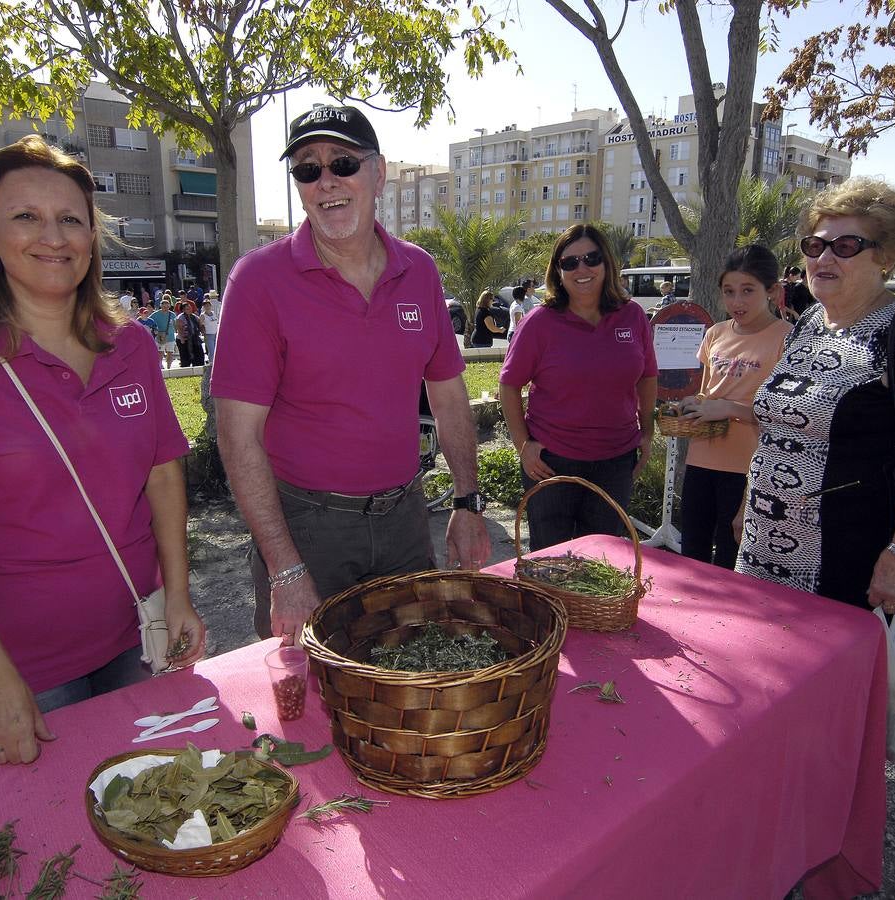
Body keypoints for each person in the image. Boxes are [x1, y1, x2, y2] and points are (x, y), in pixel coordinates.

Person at [0, 135, 205, 766]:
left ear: (92, 236)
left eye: (70, 220)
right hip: (18, 669)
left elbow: (164, 476)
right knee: (54, 842)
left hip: (134, 637)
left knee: (158, 802)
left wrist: (180, 594)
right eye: (26, 216)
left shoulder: (132, 345)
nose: (53, 236)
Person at [211, 104, 490, 641]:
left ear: (379, 173)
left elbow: (450, 397)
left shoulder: (419, 271)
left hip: (405, 517)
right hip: (309, 528)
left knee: (415, 675)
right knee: (310, 695)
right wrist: (285, 568)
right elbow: (237, 434)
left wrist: (467, 501)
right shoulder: (260, 281)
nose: (326, 182)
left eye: (343, 163)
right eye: (307, 169)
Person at [735, 178, 895, 617]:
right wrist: (750, 501)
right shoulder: (808, 323)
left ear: (887, 256)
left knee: (828, 678)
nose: (822, 257)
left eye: (845, 247)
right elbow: (778, 427)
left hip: (843, 554)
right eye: (815, 245)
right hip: (763, 546)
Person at [499, 224, 658, 551]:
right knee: (550, 563)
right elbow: (509, 384)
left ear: (607, 262)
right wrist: (523, 445)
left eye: (591, 258)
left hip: (615, 461)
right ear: (558, 272)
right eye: (569, 263)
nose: (581, 269)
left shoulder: (632, 316)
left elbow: (648, 376)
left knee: (603, 563)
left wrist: (648, 432)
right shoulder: (540, 323)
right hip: (552, 462)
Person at [677, 245, 791, 568]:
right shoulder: (714, 334)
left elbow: (787, 419)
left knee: (731, 563)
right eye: (729, 292)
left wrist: (729, 409)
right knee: (692, 560)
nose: (736, 302)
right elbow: (706, 394)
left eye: (747, 291)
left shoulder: (786, 338)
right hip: (701, 461)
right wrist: (691, 406)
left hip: (749, 469)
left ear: (772, 291)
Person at [149, 297, 178, 368]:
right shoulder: (155, 314)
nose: (165, 307)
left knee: (170, 353)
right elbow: (149, 321)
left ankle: (169, 367)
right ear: (161, 306)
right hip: (160, 337)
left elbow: (175, 324)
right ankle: (160, 366)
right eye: (164, 306)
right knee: (160, 353)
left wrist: (177, 332)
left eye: (167, 306)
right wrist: (154, 329)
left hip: (170, 337)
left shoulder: (172, 314)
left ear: (169, 306)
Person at [200, 294, 220, 362]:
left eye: (208, 305)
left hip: (215, 334)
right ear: (203, 307)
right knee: (211, 351)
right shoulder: (203, 315)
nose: (207, 307)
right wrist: (204, 333)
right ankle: (212, 363)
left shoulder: (213, 313)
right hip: (208, 335)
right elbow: (201, 325)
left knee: (216, 351)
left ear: (210, 306)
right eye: (205, 306)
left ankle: (216, 362)